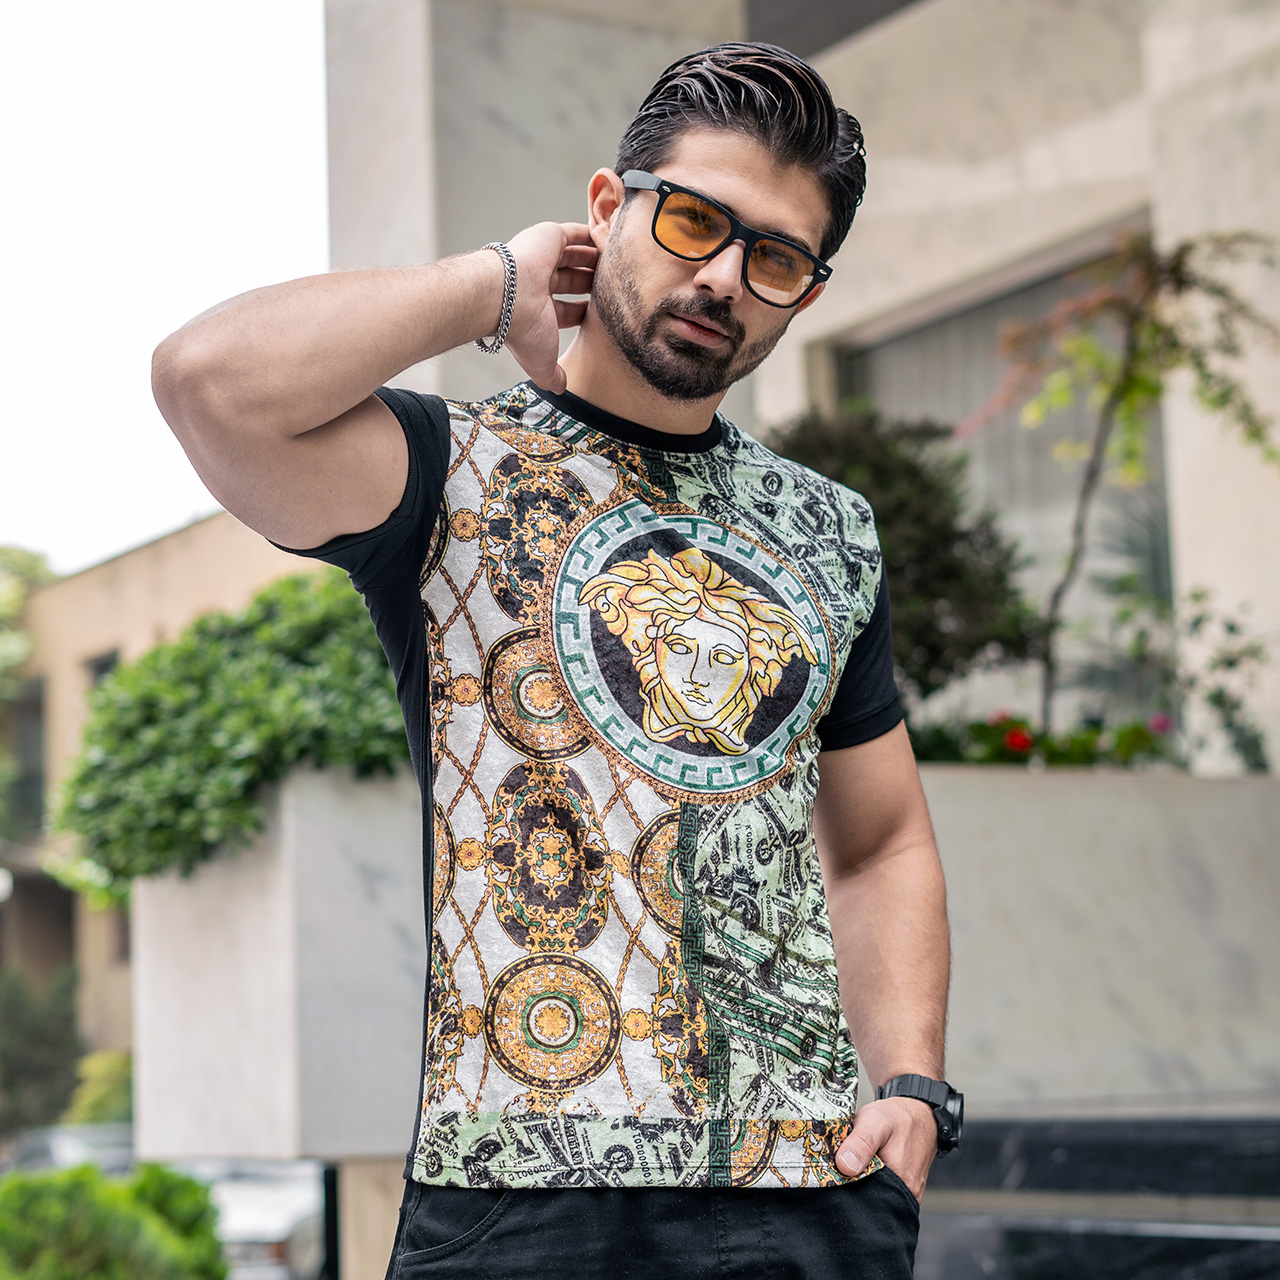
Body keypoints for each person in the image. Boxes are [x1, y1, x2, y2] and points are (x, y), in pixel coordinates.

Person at [153, 41, 958, 1280]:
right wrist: (495, 282)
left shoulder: (827, 529)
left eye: (774, 256)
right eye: (691, 219)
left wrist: (910, 1081)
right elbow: (206, 382)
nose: (722, 276)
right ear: (605, 207)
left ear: (803, 291)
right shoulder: (448, 471)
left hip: (807, 1193)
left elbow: (881, 836)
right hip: (521, 1197)